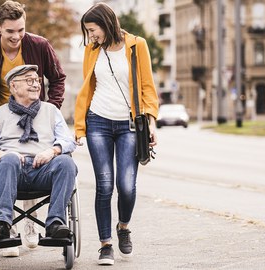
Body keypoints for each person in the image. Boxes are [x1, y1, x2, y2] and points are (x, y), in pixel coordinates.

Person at [0, 0, 67, 256]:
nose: (16, 36)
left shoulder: (39, 46)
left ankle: (32, 225)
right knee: (11, 159)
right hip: (1, 116)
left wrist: (48, 110)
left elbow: (57, 78)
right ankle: (6, 225)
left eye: (21, 30)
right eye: (10, 31)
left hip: (35, 111)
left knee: (39, 156)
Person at [74, 2, 159, 266]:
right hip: (98, 121)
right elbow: (88, 87)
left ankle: (123, 226)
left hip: (129, 125)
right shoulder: (92, 50)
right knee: (104, 185)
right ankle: (105, 245)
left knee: (126, 185)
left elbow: (147, 86)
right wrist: (79, 127)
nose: (91, 36)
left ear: (106, 23)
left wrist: (152, 121)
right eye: (88, 32)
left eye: (93, 29)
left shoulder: (137, 46)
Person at [0, 64, 77, 247]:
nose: (36, 85)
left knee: (66, 163)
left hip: (44, 171)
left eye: (37, 80)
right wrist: (1, 154)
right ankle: (2, 224)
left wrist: (52, 151)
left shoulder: (51, 110)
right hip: (11, 172)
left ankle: (55, 224)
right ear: (14, 86)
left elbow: (68, 140)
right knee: (9, 159)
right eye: (29, 80)